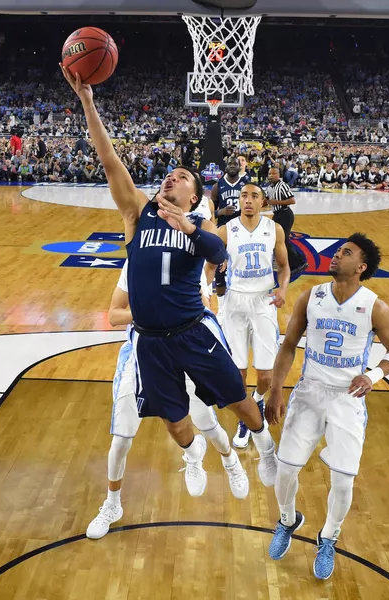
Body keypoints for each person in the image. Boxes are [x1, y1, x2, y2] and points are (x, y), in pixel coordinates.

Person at [61, 65, 273, 497]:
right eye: (169, 175)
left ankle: (265, 446)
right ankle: (193, 456)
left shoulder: (200, 223)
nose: (171, 178)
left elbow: (221, 255)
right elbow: (109, 159)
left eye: (182, 178)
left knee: (238, 400)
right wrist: (87, 102)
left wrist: (191, 229)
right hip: (150, 340)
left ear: (193, 196)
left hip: (193, 330)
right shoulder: (137, 214)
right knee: (176, 423)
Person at [264, 233, 389, 580]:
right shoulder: (311, 297)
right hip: (309, 392)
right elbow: (288, 346)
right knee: (285, 470)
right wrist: (275, 390)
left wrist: (373, 375)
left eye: (346, 252)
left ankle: (328, 537)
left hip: (347, 398)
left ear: (360, 267)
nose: (336, 255)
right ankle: (287, 520)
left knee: (343, 482)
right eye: (338, 250)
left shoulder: (375, 306)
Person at [86, 262, 248, 539]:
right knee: (120, 440)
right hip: (139, 353)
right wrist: (151, 310)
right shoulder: (135, 262)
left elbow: (202, 305)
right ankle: (112, 506)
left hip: (182, 350)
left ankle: (230, 461)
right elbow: (114, 315)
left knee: (206, 423)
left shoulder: (188, 259)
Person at [211, 183, 290, 454]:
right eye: (244, 195)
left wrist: (283, 288)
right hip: (234, 301)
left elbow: (285, 267)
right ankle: (246, 421)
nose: (247, 200)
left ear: (262, 202)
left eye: (254, 196)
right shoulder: (226, 230)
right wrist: (204, 289)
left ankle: (256, 401)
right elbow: (209, 263)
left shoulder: (274, 229)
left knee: (266, 375)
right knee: (239, 373)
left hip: (264, 300)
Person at [210, 157, 249, 310]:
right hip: (223, 231)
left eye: (235, 164)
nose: (232, 166)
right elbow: (210, 213)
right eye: (230, 164)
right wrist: (221, 211)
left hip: (242, 230)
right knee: (220, 268)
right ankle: (221, 308)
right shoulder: (217, 186)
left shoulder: (246, 185)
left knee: (242, 266)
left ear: (240, 167)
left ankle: (241, 304)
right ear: (225, 167)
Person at [264, 167, 307, 275]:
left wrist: (276, 202)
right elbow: (267, 200)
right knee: (274, 237)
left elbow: (292, 200)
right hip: (277, 215)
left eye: (274, 173)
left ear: (278, 175)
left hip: (285, 214)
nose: (271, 175)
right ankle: (283, 258)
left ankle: (298, 263)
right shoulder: (269, 187)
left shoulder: (283, 185)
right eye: (269, 173)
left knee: (283, 239)